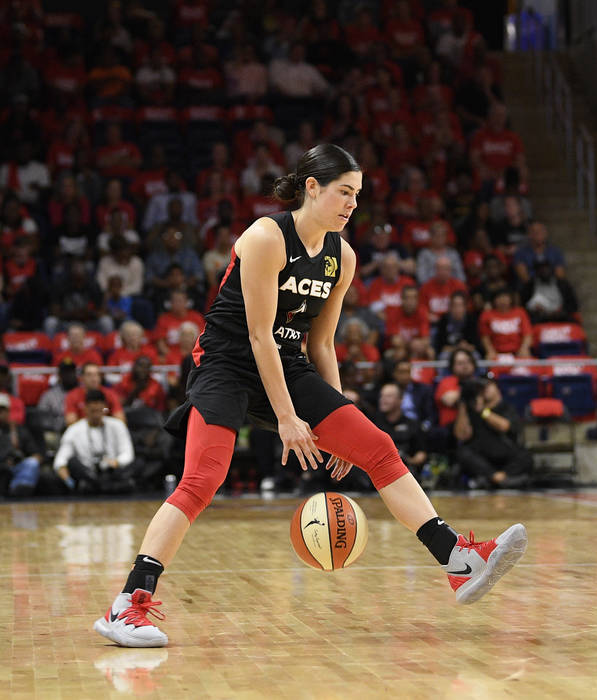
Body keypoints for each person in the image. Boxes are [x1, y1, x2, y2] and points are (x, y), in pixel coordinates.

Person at [93, 144, 527, 648]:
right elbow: (257, 337)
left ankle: (457, 561)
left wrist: (335, 416)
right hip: (227, 364)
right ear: (312, 188)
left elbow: (320, 342)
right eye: (344, 192)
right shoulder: (265, 237)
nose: (352, 204)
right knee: (202, 479)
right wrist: (286, 418)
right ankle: (128, 606)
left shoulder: (342, 257)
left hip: (290, 362)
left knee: (378, 448)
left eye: (358, 195)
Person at [453, 377, 532, 489]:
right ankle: (500, 479)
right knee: (463, 452)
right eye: (481, 388)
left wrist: (483, 411)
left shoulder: (506, 407)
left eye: (488, 385)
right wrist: (462, 406)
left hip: (504, 452)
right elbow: (461, 435)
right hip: (483, 457)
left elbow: (504, 426)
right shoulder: (470, 409)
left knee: (525, 456)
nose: (484, 389)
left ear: (497, 387)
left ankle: (492, 480)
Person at [54, 389, 138, 495]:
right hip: (88, 474)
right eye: (92, 408)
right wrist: (68, 480)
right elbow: (60, 460)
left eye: (99, 407)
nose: (96, 409)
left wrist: (116, 462)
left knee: (136, 464)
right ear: (85, 408)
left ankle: (104, 486)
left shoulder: (117, 425)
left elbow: (128, 453)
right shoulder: (74, 429)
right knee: (73, 463)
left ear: (105, 407)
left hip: (112, 471)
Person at [374, 383, 427, 478]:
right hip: (377, 468)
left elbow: (421, 453)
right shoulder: (373, 423)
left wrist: (410, 461)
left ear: (400, 400)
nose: (383, 400)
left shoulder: (413, 424)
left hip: (404, 468)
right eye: (382, 396)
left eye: (389, 396)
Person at [0, 393, 42, 497]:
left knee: (32, 463)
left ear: (8, 411)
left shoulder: (18, 430)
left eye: (2, 410)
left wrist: (20, 458)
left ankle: (19, 490)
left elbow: (37, 455)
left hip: (15, 469)